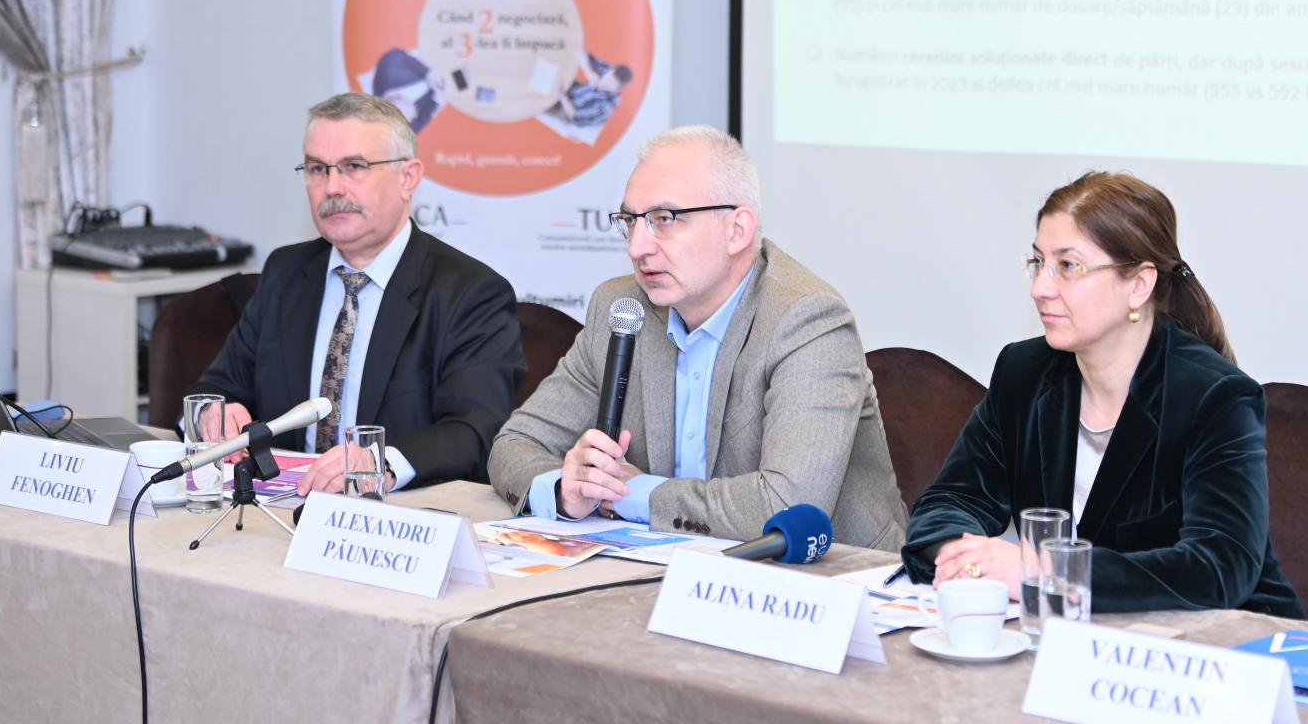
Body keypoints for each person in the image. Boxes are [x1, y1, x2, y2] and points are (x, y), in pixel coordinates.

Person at [488, 126, 907, 551]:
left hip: (836, 573)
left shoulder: (807, 319)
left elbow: (787, 505)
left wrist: (633, 493)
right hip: (668, 566)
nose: (637, 247)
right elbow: (515, 443)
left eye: (664, 220)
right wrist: (568, 488)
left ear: (737, 230)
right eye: (630, 221)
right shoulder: (620, 307)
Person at [901, 172, 1302, 616]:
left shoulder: (1214, 397)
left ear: (1139, 285)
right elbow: (948, 502)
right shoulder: (1023, 373)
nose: (1039, 288)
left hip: (1227, 641)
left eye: (1068, 267)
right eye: (1038, 262)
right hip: (1075, 636)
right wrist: (966, 560)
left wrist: (1044, 572)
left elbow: (1218, 568)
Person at [194, 93, 526, 494]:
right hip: (281, 509)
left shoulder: (470, 293)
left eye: (353, 167)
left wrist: (380, 463)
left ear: (408, 178)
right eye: (317, 169)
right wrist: (213, 414)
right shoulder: (286, 273)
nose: (332, 187)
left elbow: (476, 431)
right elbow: (215, 388)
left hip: (400, 515)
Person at [556, 49, 633, 129]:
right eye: (609, 75)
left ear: (618, 89)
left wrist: (561, 92)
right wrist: (589, 72)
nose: (606, 80)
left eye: (611, 82)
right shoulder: (609, 70)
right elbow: (581, 52)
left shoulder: (604, 107)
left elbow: (575, 117)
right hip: (574, 93)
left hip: (566, 110)